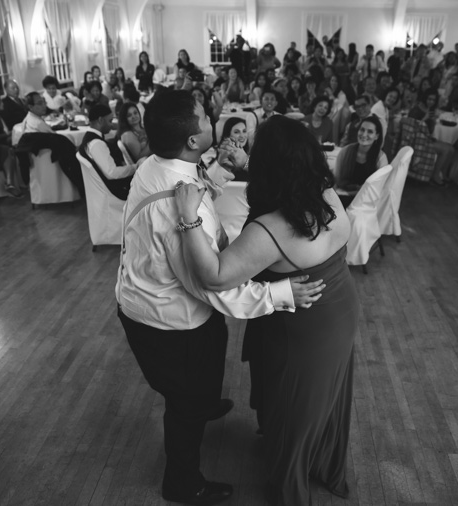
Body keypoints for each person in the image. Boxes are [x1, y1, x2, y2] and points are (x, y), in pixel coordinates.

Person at [117, 90, 325, 506]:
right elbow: (214, 284)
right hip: (168, 321)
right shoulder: (176, 212)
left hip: (152, 301)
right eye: (206, 117)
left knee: (210, 352)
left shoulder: (156, 164)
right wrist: (280, 293)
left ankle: (204, 400)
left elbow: (189, 190)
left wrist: (220, 172)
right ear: (193, 140)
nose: (214, 118)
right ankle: (182, 482)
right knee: (184, 405)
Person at [173, 114, 358, 506]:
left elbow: (215, 276)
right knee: (315, 397)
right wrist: (246, 166)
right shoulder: (324, 193)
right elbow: (285, 184)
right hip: (338, 304)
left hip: (303, 325)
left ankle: (290, 484)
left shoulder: (272, 228)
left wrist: (188, 219)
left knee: (292, 400)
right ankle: (316, 457)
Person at [78, 103, 140, 201]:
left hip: (104, 187)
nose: (111, 125)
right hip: (114, 190)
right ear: (100, 120)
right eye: (110, 121)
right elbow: (112, 173)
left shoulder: (89, 137)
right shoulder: (97, 144)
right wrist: (135, 167)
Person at [334, 115, 388, 203]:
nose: (364, 134)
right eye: (362, 130)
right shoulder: (345, 151)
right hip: (343, 195)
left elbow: (379, 188)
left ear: (377, 136)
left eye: (370, 131)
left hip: (366, 201)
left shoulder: (381, 158)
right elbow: (337, 179)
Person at [409, 89, 457, 185]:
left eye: (433, 100)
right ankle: (435, 176)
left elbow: (430, 130)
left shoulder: (429, 109)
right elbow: (411, 129)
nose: (431, 102)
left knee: (451, 149)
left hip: (426, 138)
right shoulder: (416, 109)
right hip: (417, 141)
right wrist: (424, 119)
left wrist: (433, 121)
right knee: (445, 150)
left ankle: (443, 174)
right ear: (425, 98)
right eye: (429, 99)